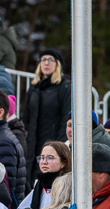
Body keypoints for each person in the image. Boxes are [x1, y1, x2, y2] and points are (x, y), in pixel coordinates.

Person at [22, 49, 71, 190]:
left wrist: (60, 144)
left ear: (58, 65)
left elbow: (66, 117)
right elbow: (26, 117)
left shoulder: (65, 86)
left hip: (54, 141)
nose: (46, 63)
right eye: (43, 59)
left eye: (51, 60)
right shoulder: (34, 87)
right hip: (33, 143)